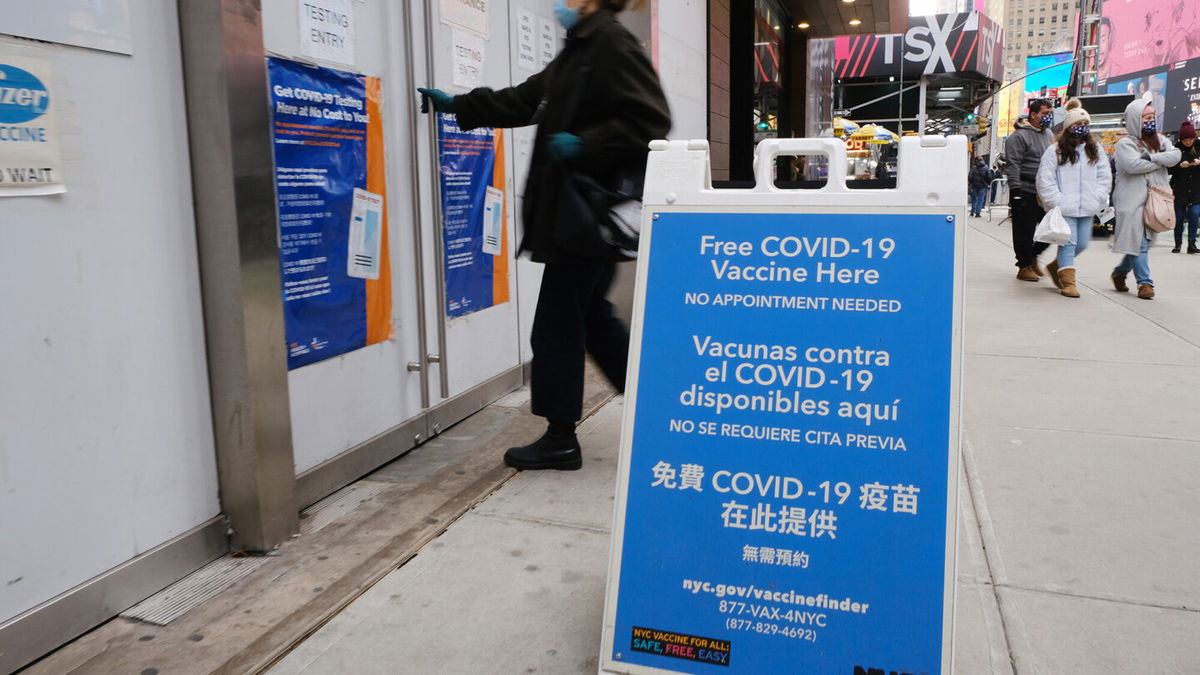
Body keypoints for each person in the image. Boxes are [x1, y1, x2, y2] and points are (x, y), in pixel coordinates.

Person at [417, 0, 671, 470]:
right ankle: (658, 410)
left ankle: (560, 439)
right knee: (592, 318)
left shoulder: (611, 44)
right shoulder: (581, 48)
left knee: (557, 326)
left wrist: (586, 143)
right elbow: (526, 99)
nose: (562, 3)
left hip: (584, 217)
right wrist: (459, 105)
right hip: (574, 217)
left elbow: (651, 120)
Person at [1035, 101, 1112, 298]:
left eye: (1085, 124)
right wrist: (1056, 201)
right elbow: (1046, 178)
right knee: (1069, 242)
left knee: (1082, 243)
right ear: (1069, 127)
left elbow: (1105, 176)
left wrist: (1099, 197)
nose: (1082, 128)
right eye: (1078, 124)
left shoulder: (1095, 150)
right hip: (1064, 206)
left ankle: (1056, 267)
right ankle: (1068, 283)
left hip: (1088, 205)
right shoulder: (1055, 151)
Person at [1111, 99, 1180, 299]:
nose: (1150, 121)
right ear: (1134, 120)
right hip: (1131, 201)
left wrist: (1151, 158)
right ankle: (1145, 283)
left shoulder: (1161, 140)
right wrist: (1161, 162)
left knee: (1144, 243)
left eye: (1152, 117)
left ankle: (1120, 271)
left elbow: (1175, 156)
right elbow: (1133, 165)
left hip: (1155, 200)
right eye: (1146, 118)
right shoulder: (1125, 144)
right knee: (1139, 242)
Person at [1004, 99, 1056, 281]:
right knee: (1024, 231)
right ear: (1033, 115)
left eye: (1050, 113)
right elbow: (1013, 165)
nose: (1048, 117)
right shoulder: (1017, 137)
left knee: (1052, 228)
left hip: (1046, 191)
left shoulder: (1049, 134)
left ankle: (1033, 255)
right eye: (1044, 113)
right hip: (1025, 189)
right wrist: (1015, 190)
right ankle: (1024, 266)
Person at [1168, 121, 1200, 254]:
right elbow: (1168, 169)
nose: (1188, 142)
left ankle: (1192, 244)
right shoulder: (1175, 150)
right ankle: (1178, 243)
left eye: (1191, 139)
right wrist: (1180, 166)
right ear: (1181, 139)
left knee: (1195, 213)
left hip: (1197, 188)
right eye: (1185, 140)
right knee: (1179, 217)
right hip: (1180, 188)